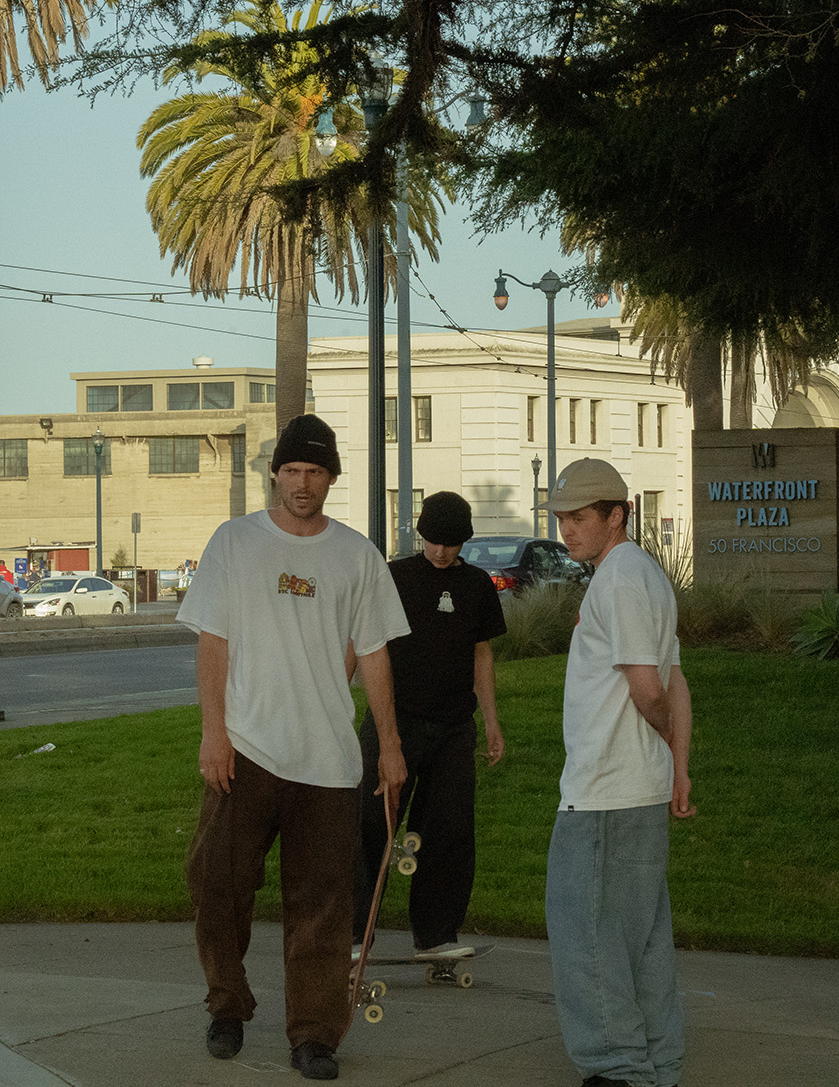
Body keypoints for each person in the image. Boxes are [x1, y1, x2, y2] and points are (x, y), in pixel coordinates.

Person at [178, 413, 411, 1082]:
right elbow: (213, 643)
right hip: (246, 749)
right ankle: (227, 1005)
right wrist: (214, 732)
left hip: (327, 760)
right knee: (216, 883)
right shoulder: (235, 542)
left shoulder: (356, 555)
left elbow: (375, 654)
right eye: (291, 470)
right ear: (275, 474)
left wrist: (389, 745)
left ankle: (314, 1035)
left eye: (314, 471)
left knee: (322, 907)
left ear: (331, 478)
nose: (302, 483)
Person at [543, 458, 695, 1087]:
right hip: (636, 788)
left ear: (617, 515)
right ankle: (657, 1065)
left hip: (604, 792)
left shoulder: (620, 579)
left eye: (580, 518)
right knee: (641, 940)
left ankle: (618, 1070)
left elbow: (648, 689)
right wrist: (678, 767)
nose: (567, 530)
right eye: (561, 518)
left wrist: (667, 742)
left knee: (586, 936)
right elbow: (675, 678)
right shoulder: (644, 575)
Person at [353, 490, 507, 959]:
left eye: (451, 544)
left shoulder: (477, 586)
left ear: (465, 542)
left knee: (447, 831)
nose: (441, 552)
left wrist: (492, 722)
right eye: (434, 542)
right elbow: (366, 644)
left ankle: (437, 934)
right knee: (371, 826)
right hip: (395, 723)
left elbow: (482, 654)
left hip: (454, 728)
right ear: (420, 535)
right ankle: (352, 934)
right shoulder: (394, 577)